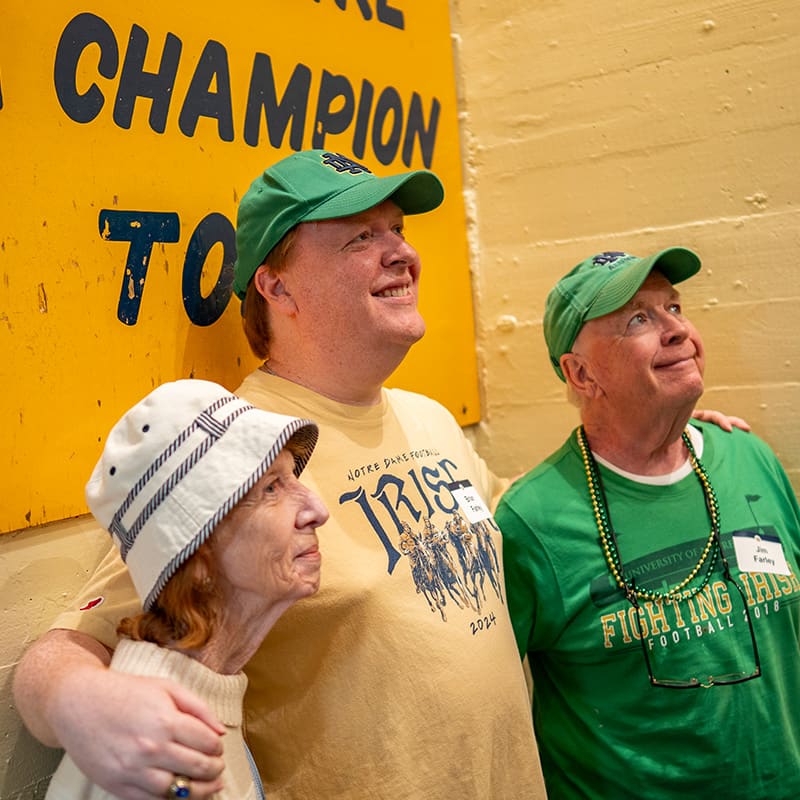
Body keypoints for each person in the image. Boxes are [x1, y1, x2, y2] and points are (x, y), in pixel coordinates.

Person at [14, 150, 548, 800]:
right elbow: (69, 645)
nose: (401, 253)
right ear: (277, 286)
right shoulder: (237, 452)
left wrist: (675, 447)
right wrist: (81, 704)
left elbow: (521, 515)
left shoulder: (429, 418)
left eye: (398, 231)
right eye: (361, 237)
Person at [496, 247, 800, 798]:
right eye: (638, 318)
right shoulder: (532, 521)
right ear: (581, 373)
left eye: (675, 308)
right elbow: (490, 708)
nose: (676, 331)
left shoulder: (749, 458)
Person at [45, 379, 328, 800]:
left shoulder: (198, 696)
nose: (317, 510)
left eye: (292, 478)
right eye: (271, 487)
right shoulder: (150, 746)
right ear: (197, 559)